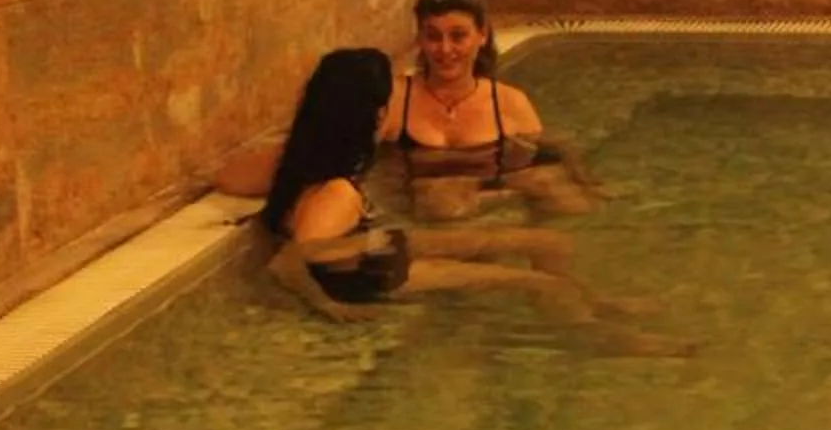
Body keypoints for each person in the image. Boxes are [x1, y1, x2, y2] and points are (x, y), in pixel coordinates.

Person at [258, 48, 653, 337]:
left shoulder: (309, 159)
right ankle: (596, 336)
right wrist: (329, 305)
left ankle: (592, 302)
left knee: (546, 241)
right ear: (372, 114)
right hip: (380, 273)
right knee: (537, 281)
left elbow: (239, 182)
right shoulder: (336, 193)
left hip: (377, 246)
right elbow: (286, 261)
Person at [380, 0, 593, 221]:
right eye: (433, 37)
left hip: (489, 193)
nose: (445, 49)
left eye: (458, 36)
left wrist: (585, 181)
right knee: (441, 201)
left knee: (567, 202)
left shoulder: (508, 102)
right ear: (420, 40)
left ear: (482, 36)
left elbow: (547, 149)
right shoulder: (397, 99)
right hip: (430, 206)